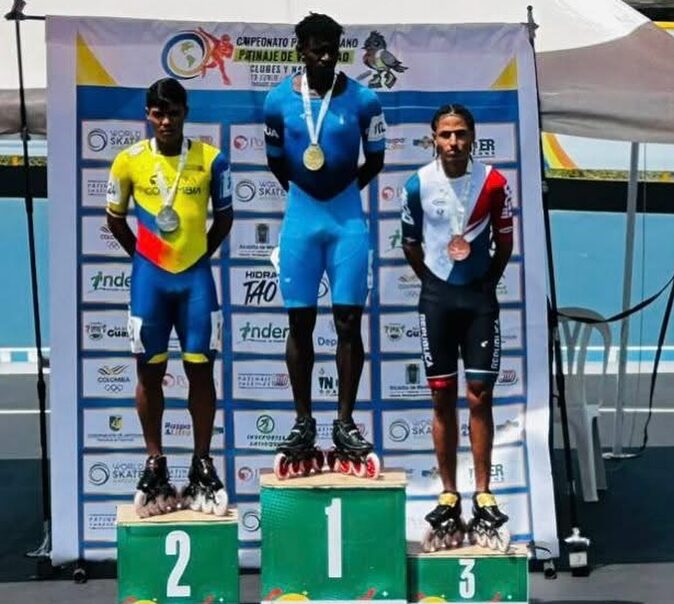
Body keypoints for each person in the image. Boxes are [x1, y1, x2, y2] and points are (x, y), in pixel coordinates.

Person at [263, 13, 386, 479]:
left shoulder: (364, 99)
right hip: (301, 218)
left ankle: (345, 423)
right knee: (300, 322)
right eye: (317, 48)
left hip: (346, 219)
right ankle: (303, 422)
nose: (325, 55)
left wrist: (341, 192)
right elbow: (277, 162)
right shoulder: (277, 100)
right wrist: (308, 194)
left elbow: (375, 159)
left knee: (348, 321)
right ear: (301, 49)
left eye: (332, 47)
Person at [106, 77, 233, 516]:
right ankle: (155, 461)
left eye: (173, 113)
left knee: (201, 372)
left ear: (185, 114)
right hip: (150, 283)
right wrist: (145, 258)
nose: (165, 121)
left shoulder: (212, 159)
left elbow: (225, 218)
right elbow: (116, 218)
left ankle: (201, 463)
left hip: (196, 282)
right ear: (148, 114)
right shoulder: (128, 161)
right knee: (149, 373)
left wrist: (197, 257)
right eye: (158, 114)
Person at [401, 104, 513, 551]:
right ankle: (449, 493)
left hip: (479, 301)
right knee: (442, 396)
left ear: (472, 137)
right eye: (446, 134)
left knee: (479, 394)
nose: (453, 142)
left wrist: (487, 284)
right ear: (434, 138)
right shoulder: (417, 184)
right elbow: (410, 243)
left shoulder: (494, 182)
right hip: (437, 302)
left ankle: (483, 493)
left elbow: (505, 241)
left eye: (461, 134)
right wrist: (432, 284)